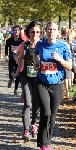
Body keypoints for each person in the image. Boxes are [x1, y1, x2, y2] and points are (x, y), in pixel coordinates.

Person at [33, 21, 72, 150]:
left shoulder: (63, 46)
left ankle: (47, 142)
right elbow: (35, 53)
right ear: (46, 31)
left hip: (57, 84)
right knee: (45, 113)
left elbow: (70, 66)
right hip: (42, 83)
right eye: (49, 29)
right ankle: (43, 144)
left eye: (54, 29)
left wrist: (60, 60)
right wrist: (36, 62)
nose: (51, 31)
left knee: (53, 116)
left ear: (58, 32)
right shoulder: (40, 44)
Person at [13, 21, 40, 142]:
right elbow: (18, 56)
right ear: (29, 33)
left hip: (39, 78)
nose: (35, 34)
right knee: (28, 104)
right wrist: (18, 71)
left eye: (37, 32)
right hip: (26, 77)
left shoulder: (42, 45)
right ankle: (25, 130)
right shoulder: (24, 45)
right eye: (33, 32)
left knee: (36, 104)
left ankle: (34, 123)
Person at [5, 25, 23, 95]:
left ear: (20, 31)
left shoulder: (21, 41)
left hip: (19, 60)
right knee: (11, 73)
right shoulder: (9, 40)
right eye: (15, 30)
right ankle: (11, 79)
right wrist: (6, 56)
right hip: (11, 59)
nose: (16, 32)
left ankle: (15, 89)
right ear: (13, 31)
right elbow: (6, 48)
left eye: (18, 30)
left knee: (18, 74)